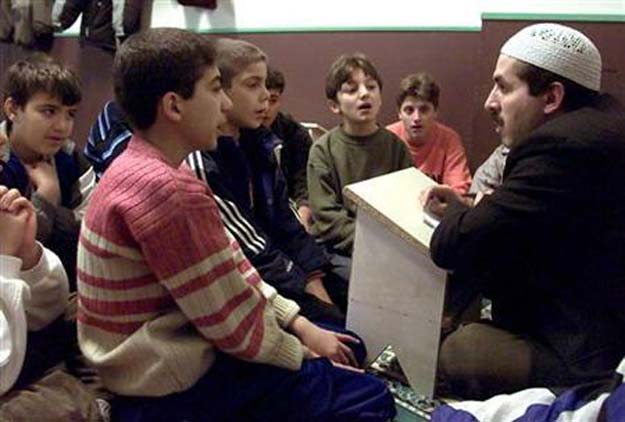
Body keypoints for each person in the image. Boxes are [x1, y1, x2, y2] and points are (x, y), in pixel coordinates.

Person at [77, 28, 395, 421]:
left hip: (173, 356)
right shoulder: (167, 189)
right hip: (163, 383)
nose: (225, 103)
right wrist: (303, 353)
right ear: (174, 106)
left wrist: (301, 325)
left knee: (347, 346)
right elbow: (233, 324)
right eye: (215, 89)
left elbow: (232, 269)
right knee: (371, 397)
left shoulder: (143, 163)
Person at [422, 23, 625, 399]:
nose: (490, 102)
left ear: (551, 98)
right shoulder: (600, 123)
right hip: (595, 317)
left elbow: (451, 245)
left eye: (504, 86)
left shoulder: (561, 147)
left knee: (461, 351)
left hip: (582, 352)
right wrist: (470, 208)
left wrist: (459, 217)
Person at [307, 53, 413, 261]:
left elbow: (409, 204)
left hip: (389, 246)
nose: (364, 94)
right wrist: (374, 246)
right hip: (339, 250)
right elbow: (327, 217)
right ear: (334, 105)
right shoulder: (323, 150)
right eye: (352, 90)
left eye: (371, 87)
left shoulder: (396, 147)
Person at [1, 54, 94, 287]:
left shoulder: (70, 157)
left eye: (70, 114)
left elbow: (92, 231)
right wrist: (46, 198)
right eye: (49, 111)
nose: (62, 127)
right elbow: (13, 249)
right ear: (12, 109)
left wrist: (52, 213)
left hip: (61, 290)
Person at [387, 72, 472, 194]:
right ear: (399, 113)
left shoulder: (449, 140)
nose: (416, 118)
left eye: (424, 109)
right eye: (409, 110)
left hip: (434, 209)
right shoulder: (388, 139)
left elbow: (460, 191)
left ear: (435, 111)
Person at [263, 67, 315, 231]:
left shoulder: (295, 134)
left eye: (272, 100)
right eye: (260, 100)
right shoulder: (232, 137)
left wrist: (303, 214)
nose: (265, 108)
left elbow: (304, 183)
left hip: (291, 216)